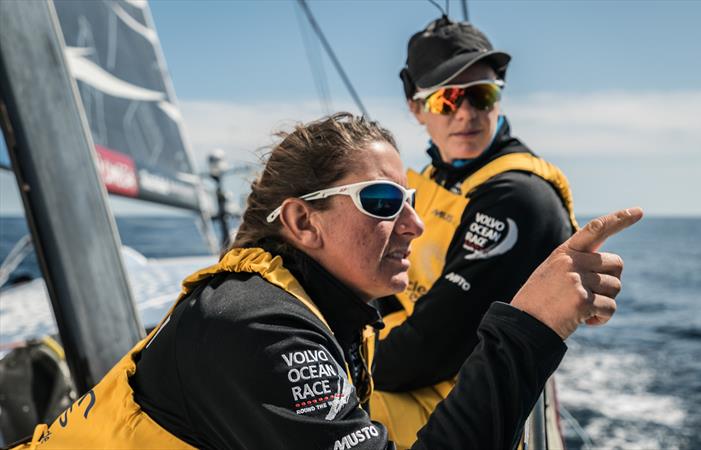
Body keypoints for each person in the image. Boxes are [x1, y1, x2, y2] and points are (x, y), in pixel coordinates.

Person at [9, 113, 641, 450]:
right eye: (383, 200)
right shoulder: (256, 328)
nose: (416, 225)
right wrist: (528, 329)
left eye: (412, 199)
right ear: (303, 221)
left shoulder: (319, 311)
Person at [370, 16, 579, 446]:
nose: (466, 113)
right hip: (408, 375)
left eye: (481, 95)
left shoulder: (519, 199)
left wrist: (339, 358)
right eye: (446, 99)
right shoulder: (434, 178)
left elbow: (435, 349)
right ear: (416, 107)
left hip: (462, 407)